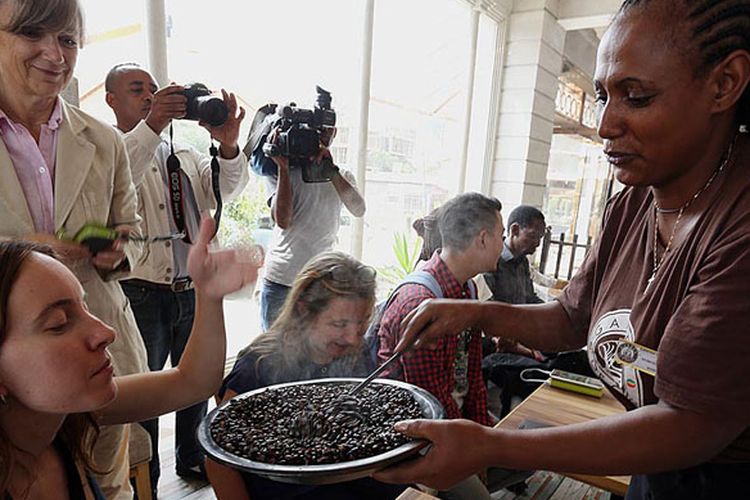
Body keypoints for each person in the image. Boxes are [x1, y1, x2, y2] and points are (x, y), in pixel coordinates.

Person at [375, 1, 750, 498]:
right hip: (653, 467)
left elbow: (691, 424)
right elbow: (571, 320)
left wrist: (494, 447)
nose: (605, 124)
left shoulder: (739, 226)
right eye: (602, 96)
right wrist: (469, 313)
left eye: (635, 97)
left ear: (725, 84)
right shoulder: (633, 203)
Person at [0, 217, 261, 499]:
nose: (106, 332)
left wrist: (209, 295)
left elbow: (193, 382)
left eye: (85, 307)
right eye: (59, 323)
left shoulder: (61, 418)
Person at [0, 1, 147, 497]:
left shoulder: (104, 141)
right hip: (11, 363)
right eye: (33, 34)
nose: (54, 54)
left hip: (93, 354)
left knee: (105, 482)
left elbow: (133, 232)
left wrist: (116, 250)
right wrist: (29, 249)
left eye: (67, 40)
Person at [105, 62, 249, 489]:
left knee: (196, 389)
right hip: (141, 291)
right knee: (144, 394)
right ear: (112, 99)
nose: (150, 95)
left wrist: (227, 147)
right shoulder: (108, 147)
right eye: (137, 89)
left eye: (155, 89)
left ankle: (195, 460)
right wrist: (152, 124)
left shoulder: (180, 152)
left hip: (188, 288)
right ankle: (144, 481)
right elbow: (119, 182)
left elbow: (226, 190)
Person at [206, 251, 406, 499]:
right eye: (339, 324)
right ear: (303, 311)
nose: (354, 337)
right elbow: (217, 460)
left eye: (363, 322)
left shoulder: (357, 353)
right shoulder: (258, 366)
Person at [376, 193, 505, 499]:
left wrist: (480, 432)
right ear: (483, 239)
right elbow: (430, 402)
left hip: (449, 416)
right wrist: (475, 451)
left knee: (529, 449)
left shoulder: (468, 288)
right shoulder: (419, 301)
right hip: (416, 433)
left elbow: (473, 372)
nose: (504, 244)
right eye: (501, 236)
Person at [252, 124, 366, 331]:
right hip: (281, 279)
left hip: (319, 279)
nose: (321, 137)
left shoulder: (342, 174)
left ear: (334, 134)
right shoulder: (278, 170)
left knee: (311, 354)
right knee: (272, 353)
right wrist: (284, 170)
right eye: (316, 131)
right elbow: (283, 220)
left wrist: (331, 172)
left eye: (327, 130)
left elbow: (358, 209)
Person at [482, 204, 546, 305]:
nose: (537, 243)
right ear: (515, 230)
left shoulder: (523, 262)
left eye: (540, 238)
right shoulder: (492, 261)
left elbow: (530, 299)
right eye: (533, 236)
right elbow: (489, 307)